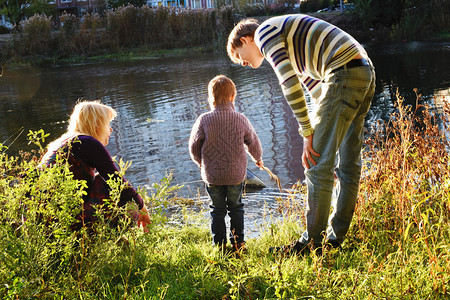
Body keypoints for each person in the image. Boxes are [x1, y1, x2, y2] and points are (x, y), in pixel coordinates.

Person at [227, 15, 376, 254]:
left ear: (246, 39)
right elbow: (317, 93)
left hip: (342, 73)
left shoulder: (264, 33)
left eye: (238, 55)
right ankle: (334, 241)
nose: (241, 62)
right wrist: (315, 130)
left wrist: (307, 134)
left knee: (316, 165)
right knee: (347, 166)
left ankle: (311, 244)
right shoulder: (291, 42)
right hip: (363, 70)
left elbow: (289, 84)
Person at [40, 100, 151, 232]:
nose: (111, 129)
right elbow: (118, 183)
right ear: (97, 124)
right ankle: (97, 242)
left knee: (98, 181)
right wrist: (143, 209)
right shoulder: (87, 142)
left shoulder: (60, 142)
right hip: (59, 223)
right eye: (107, 123)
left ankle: (117, 242)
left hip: (42, 220)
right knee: (127, 202)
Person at [189, 75, 263, 252]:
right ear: (232, 97)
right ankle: (238, 244)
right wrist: (257, 158)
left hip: (212, 175)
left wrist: (201, 163)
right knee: (236, 208)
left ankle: (220, 247)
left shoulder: (204, 120)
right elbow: (252, 141)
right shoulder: (240, 119)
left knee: (217, 210)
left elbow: (194, 146)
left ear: (210, 99)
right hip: (235, 174)